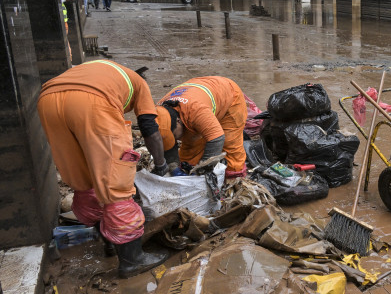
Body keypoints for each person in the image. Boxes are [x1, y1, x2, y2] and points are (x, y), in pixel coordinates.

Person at [37, 60, 169, 278]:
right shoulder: (139, 84)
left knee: (85, 181)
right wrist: (161, 164)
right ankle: (132, 261)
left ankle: (110, 244)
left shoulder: (102, 70)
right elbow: (149, 127)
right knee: (115, 186)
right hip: (92, 102)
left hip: (47, 100)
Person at [155, 76, 248, 178]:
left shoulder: (195, 110)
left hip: (228, 97)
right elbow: (167, 145)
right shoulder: (157, 113)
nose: (175, 139)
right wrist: (174, 168)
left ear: (178, 121)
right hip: (198, 96)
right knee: (190, 153)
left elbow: (217, 138)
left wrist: (205, 167)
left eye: (174, 135)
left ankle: (234, 177)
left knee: (230, 146)